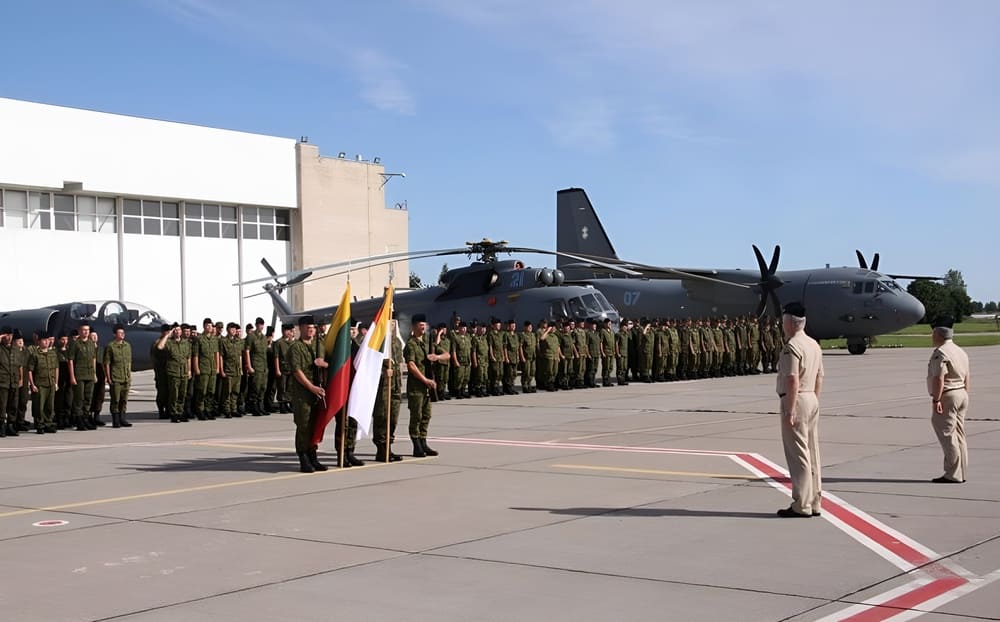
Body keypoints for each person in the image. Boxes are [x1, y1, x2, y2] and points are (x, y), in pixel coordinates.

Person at [775, 302, 824, 518]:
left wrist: (791, 409)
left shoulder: (792, 346)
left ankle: (801, 504)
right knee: (812, 451)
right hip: (811, 397)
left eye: (783, 321)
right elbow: (820, 376)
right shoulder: (813, 344)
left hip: (797, 399)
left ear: (789, 323)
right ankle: (815, 501)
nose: (782, 325)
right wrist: (813, 399)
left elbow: (792, 379)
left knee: (798, 455)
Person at [926, 316, 971, 483]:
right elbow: (967, 377)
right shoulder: (960, 351)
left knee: (947, 435)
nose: (932, 337)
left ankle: (952, 474)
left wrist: (936, 400)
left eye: (933, 333)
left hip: (948, 395)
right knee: (959, 434)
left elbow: (939, 378)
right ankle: (961, 472)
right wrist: (965, 394)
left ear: (938, 334)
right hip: (961, 393)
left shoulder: (941, 352)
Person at [288, 315, 329, 473]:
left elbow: (327, 365)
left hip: (318, 392)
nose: (311, 329)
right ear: (301, 328)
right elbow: (297, 371)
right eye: (308, 326)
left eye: (313, 326)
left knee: (315, 424)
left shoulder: (320, 345)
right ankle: (303, 457)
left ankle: (313, 455)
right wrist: (311, 387)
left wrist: (323, 364)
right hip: (303, 393)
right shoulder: (295, 347)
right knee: (304, 425)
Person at [405, 314, 445, 457]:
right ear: (414, 326)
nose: (423, 327)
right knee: (416, 416)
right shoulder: (411, 344)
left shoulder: (428, 342)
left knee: (426, 416)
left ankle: (423, 442)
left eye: (424, 324)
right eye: (420, 324)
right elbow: (411, 365)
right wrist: (425, 380)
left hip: (427, 388)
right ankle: (416, 445)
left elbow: (446, 355)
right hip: (417, 387)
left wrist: (437, 357)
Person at [68, 322, 99, 431]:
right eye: (83, 330)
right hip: (79, 375)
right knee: (79, 399)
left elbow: (94, 358)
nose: (86, 332)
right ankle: (79, 420)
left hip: (89, 374)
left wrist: (94, 373)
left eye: (87, 330)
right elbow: (71, 360)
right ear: (79, 331)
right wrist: (72, 376)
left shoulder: (91, 343)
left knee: (88, 398)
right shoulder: (75, 344)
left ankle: (86, 418)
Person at [27, 332, 59, 433]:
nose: (46, 342)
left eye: (47, 340)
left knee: (50, 405)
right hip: (40, 383)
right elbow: (30, 370)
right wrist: (32, 384)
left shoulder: (52, 354)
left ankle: (48, 423)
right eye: (44, 340)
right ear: (39, 341)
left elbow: (56, 368)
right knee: (39, 406)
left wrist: (56, 382)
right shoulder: (35, 354)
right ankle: (40, 424)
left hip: (51, 383)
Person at [103, 324, 133, 428]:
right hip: (115, 377)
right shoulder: (110, 346)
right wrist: (108, 377)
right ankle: (115, 420)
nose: (122, 334)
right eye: (120, 333)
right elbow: (107, 363)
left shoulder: (127, 346)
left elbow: (129, 362)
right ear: (115, 334)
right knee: (115, 399)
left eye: (123, 332)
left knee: (124, 399)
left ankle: (122, 418)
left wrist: (129, 376)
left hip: (125, 377)